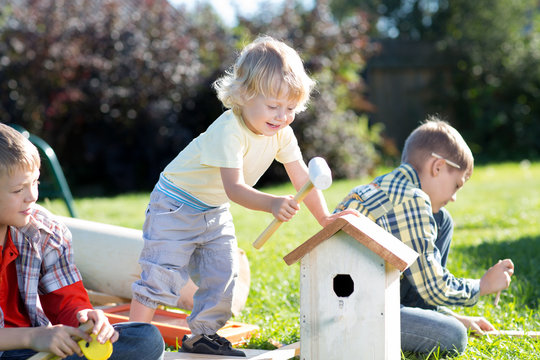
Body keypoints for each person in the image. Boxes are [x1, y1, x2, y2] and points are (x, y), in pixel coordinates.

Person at [129, 35, 357, 357]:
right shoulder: (229, 130)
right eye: (274, 106)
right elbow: (234, 189)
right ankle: (132, 341)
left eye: (290, 108)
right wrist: (272, 203)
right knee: (160, 273)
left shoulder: (282, 133)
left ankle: (201, 336)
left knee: (224, 274)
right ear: (245, 95)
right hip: (174, 204)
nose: (282, 116)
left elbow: (302, 177)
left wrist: (325, 218)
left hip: (213, 209)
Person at [334, 117, 514, 356]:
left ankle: (428, 315)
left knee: (442, 219)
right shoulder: (411, 199)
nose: (454, 197)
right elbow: (432, 286)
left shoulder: (385, 187)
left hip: (346, 303)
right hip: (357, 314)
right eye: (457, 185)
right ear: (437, 167)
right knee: (452, 336)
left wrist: (452, 315)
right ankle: (430, 321)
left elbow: (421, 277)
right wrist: (482, 286)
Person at [0, 123, 164, 360]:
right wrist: (33, 337)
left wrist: (86, 319)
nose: (32, 196)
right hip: (20, 346)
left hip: (36, 351)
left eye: (34, 182)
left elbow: (67, 301)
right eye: (18, 190)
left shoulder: (45, 232)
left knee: (145, 338)